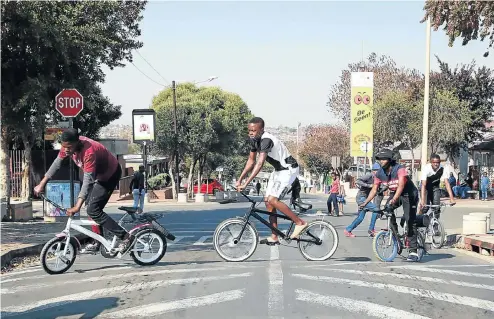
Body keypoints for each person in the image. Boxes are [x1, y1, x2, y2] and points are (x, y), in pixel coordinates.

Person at [34, 129, 136, 254]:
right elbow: (57, 164)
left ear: (77, 143)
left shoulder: (89, 152)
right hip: (98, 176)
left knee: (93, 210)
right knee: (90, 208)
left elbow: (87, 181)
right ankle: (98, 241)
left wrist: (77, 206)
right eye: (63, 147)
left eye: (69, 147)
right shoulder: (67, 146)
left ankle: (126, 237)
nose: (66, 150)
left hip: (110, 175)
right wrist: (42, 183)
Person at [237, 117, 307, 245]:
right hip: (278, 170)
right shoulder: (254, 141)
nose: (251, 133)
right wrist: (240, 179)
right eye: (249, 130)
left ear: (261, 129)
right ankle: (274, 236)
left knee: (273, 200)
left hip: (289, 169)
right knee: (267, 202)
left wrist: (246, 183)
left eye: (254, 130)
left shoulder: (266, 140)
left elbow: (259, 163)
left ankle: (299, 223)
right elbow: (251, 161)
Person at [359, 149, 420, 262]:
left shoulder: (399, 169)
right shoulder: (379, 173)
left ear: (390, 160)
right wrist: (365, 202)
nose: (381, 161)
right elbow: (374, 190)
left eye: (383, 159)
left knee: (409, 220)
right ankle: (397, 239)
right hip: (395, 193)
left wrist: (395, 199)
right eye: (379, 159)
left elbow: (401, 185)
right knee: (387, 211)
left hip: (409, 194)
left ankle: (413, 251)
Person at [345, 162, 381, 238]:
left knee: (360, 218)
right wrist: (369, 185)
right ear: (374, 171)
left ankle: (348, 230)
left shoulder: (377, 178)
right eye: (378, 170)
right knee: (376, 209)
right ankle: (371, 229)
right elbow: (357, 181)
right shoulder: (369, 175)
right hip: (361, 198)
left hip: (365, 198)